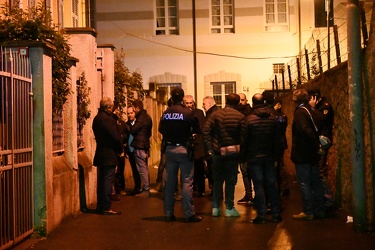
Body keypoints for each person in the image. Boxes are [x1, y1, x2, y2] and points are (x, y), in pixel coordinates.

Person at [159, 88, 201, 223]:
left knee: (170, 183)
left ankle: (168, 214)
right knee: (187, 182)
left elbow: (161, 129)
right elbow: (196, 129)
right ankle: (189, 214)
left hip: (170, 149)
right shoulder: (188, 113)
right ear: (183, 98)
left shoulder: (166, 113)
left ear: (171, 97)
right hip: (184, 149)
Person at [203, 93, 246, 217]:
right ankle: (229, 207)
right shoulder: (240, 117)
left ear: (226, 101)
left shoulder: (216, 114)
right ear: (238, 103)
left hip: (217, 152)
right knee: (231, 180)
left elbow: (206, 130)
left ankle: (215, 207)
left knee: (217, 180)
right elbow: (244, 135)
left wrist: (210, 148)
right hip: (233, 152)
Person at [242, 94, 282, 224]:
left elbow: (244, 141)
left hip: (254, 157)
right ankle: (276, 213)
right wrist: (277, 157)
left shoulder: (248, 120)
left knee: (258, 186)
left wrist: (243, 158)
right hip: (269, 156)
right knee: (271, 184)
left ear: (253, 103)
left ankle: (261, 214)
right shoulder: (273, 118)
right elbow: (277, 140)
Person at [291, 89, 325, 220]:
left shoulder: (300, 113)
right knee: (316, 181)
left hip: (303, 153)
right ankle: (320, 210)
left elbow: (305, 130)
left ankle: (308, 211)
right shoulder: (313, 111)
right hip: (313, 153)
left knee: (304, 182)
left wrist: (313, 143)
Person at [92, 97, 123, 215]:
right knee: (107, 181)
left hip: (100, 152)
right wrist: (120, 148)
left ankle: (100, 206)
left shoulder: (97, 118)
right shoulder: (107, 119)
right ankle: (106, 206)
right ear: (109, 107)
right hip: (109, 154)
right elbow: (115, 136)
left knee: (102, 180)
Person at [308, 89, 334, 208]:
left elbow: (318, 121)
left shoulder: (324, 106)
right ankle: (320, 197)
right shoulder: (317, 107)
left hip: (323, 142)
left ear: (314, 97)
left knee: (319, 171)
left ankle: (328, 199)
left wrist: (312, 109)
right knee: (315, 170)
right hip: (316, 142)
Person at [184, 94, 206, 197]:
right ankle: (192, 188)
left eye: (190, 103)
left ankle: (201, 189)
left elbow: (201, 127)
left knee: (199, 167)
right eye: (187, 103)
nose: (189, 105)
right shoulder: (183, 113)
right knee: (188, 168)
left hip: (197, 144)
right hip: (187, 144)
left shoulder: (199, 112)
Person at [130, 99, 153, 198]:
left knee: (142, 168)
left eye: (134, 109)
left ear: (137, 108)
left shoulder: (140, 118)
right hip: (145, 144)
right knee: (145, 167)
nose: (133, 112)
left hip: (139, 145)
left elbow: (133, 130)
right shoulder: (147, 117)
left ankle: (146, 189)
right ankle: (146, 188)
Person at [236, 93, 254, 205]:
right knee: (245, 172)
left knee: (249, 172)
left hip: (249, 147)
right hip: (243, 147)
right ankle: (248, 194)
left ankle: (251, 195)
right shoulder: (239, 113)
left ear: (246, 100)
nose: (240, 102)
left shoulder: (249, 113)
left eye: (242, 100)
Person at [202, 96, 220, 196]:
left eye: (204, 104)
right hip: (215, 146)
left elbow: (207, 130)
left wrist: (209, 147)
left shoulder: (212, 114)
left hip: (213, 147)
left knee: (213, 171)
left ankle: (216, 192)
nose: (203, 106)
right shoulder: (214, 112)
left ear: (209, 103)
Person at [273, 97, 290, 196]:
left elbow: (280, 127)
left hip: (279, 143)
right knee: (280, 166)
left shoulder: (281, 116)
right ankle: (282, 186)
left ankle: (284, 187)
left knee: (280, 166)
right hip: (281, 143)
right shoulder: (281, 116)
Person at [112, 102, 128, 197]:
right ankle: (118, 188)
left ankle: (120, 188)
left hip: (119, 149)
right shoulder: (113, 122)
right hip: (116, 149)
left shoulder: (121, 123)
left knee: (119, 171)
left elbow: (125, 134)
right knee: (117, 171)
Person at [125, 106, 142, 195]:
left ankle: (143, 186)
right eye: (128, 113)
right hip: (131, 150)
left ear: (135, 113)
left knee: (141, 169)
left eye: (131, 113)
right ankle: (137, 186)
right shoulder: (126, 125)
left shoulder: (139, 123)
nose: (129, 115)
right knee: (134, 169)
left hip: (139, 148)